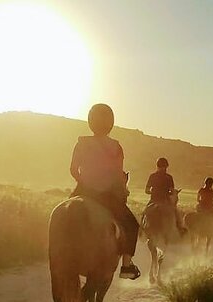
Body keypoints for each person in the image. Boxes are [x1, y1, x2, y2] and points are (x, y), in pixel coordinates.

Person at [69, 103, 140, 280]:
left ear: (90, 122)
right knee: (131, 225)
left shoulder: (82, 142)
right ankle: (126, 266)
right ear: (111, 124)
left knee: (63, 212)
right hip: (107, 195)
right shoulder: (116, 147)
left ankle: (54, 251)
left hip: (83, 190)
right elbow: (117, 175)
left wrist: (84, 182)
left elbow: (73, 169)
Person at [145, 157, 184, 233]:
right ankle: (180, 229)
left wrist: (152, 192)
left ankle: (142, 230)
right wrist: (169, 193)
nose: (165, 169)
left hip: (154, 200)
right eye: (165, 167)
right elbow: (172, 191)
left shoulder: (152, 176)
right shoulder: (169, 177)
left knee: (145, 212)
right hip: (165, 201)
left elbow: (146, 190)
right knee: (176, 214)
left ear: (157, 166)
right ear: (164, 166)